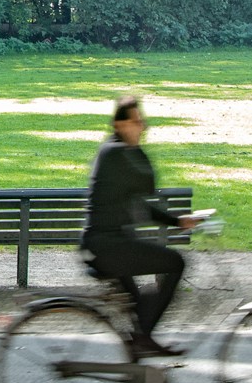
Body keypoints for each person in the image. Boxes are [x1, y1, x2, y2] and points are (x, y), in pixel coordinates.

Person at [81, 95, 203, 358]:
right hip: (107, 247)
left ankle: (135, 380)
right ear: (119, 125)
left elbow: (141, 204)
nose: (142, 127)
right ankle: (143, 341)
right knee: (175, 263)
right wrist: (135, 146)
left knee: (139, 312)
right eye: (137, 122)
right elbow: (148, 181)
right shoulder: (114, 153)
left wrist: (177, 221)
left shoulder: (118, 154)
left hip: (110, 245)